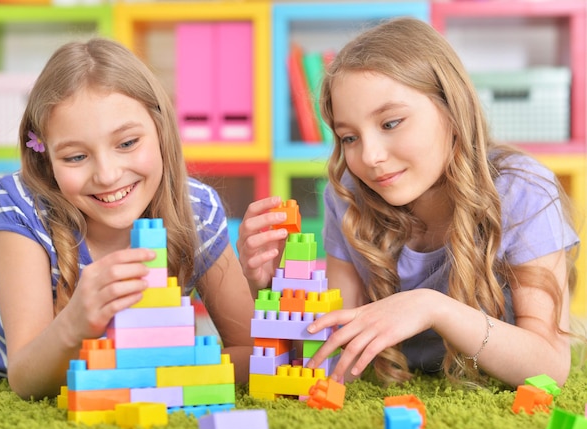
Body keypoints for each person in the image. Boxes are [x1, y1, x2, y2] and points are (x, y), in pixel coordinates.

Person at [237, 17, 580, 388]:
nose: (369, 156)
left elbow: (550, 368)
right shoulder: (348, 194)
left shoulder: (522, 190)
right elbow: (335, 356)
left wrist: (432, 307)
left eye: (390, 123)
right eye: (349, 137)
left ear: (452, 109)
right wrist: (275, 288)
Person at [0, 38, 255, 399]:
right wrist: (75, 323)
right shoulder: (23, 206)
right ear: (46, 159)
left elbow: (253, 354)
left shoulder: (197, 211)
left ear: (160, 129)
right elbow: (24, 378)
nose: (107, 175)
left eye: (128, 143)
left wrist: (169, 369)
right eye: (75, 157)